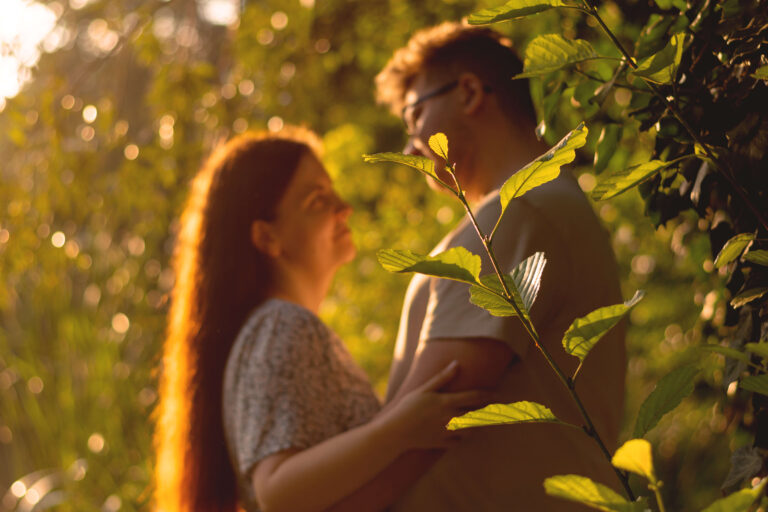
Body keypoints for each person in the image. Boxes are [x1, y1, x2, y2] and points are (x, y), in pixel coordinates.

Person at [153, 127, 488, 512]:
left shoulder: (272, 329)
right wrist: (399, 429)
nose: (344, 207)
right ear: (267, 238)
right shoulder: (282, 325)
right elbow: (278, 490)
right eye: (318, 200)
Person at [374, 21, 627, 510]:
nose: (410, 147)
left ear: (469, 91)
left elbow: (416, 434)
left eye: (415, 116)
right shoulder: (540, 208)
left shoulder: (518, 215)